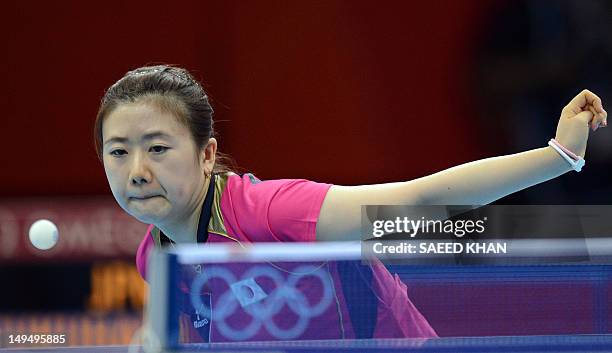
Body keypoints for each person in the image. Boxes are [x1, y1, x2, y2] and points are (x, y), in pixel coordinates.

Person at [94, 65, 607, 341]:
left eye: (158, 148)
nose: (137, 170)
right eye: (118, 152)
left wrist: (558, 156)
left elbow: (420, 199)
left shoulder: (274, 210)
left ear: (207, 155)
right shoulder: (155, 257)